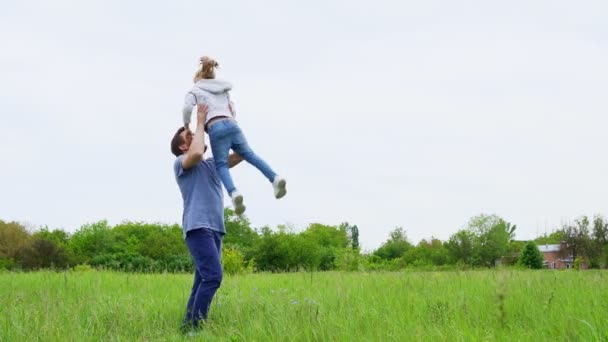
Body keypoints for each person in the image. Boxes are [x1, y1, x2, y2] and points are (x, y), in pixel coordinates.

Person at [182, 56, 286, 215]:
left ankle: (234, 193)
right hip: (232, 123)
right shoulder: (223, 88)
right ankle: (275, 178)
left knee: (221, 165)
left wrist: (187, 125)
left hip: (214, 126)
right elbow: (232, 108)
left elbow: (187, 108)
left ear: (197, 79)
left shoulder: (195, 90)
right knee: (250, 154)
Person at [171, 103, 243, 330]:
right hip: (197, 227)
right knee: (213, 277)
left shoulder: (213, 165)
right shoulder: (181, 163)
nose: (195, 135)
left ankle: (187, 327)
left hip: (215, 229)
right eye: (190, 135)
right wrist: (200, 122)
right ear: (183, 146)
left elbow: (241, 153)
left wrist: (228, 121)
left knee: (202, 280)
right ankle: (195, 328)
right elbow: (196, 152)